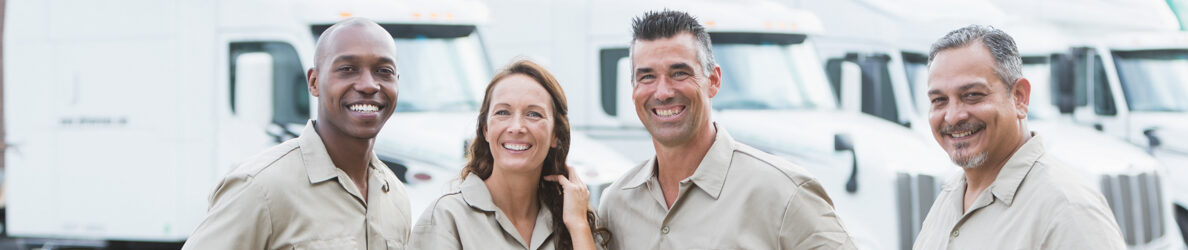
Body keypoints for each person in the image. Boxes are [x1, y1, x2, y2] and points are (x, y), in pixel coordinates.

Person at [595, 10, 855, 249]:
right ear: (633, 90)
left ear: (714, 81)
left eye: (679, 73)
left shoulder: (784, 192)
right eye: (647, 77)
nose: (662, 92)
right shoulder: (617, 202)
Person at [183, 17, 410, 249]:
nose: (369, 85)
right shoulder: (260, 188)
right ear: (313, 81)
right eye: (347, 69)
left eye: (384, 71)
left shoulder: (395, 196)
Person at [912, 25, 1126, 249]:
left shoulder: (1068, 210)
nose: (953, 116)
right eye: (939, 100)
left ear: (1019, 98)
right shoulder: (950, 196)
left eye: (972, 95)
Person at [409, 60, 604, 250]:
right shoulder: (446, 218)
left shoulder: (577, 216)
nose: (516, 127)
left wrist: (578, 225)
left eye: (533, 114)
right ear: (486, 130)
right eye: (503, 112)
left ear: (555, 135)